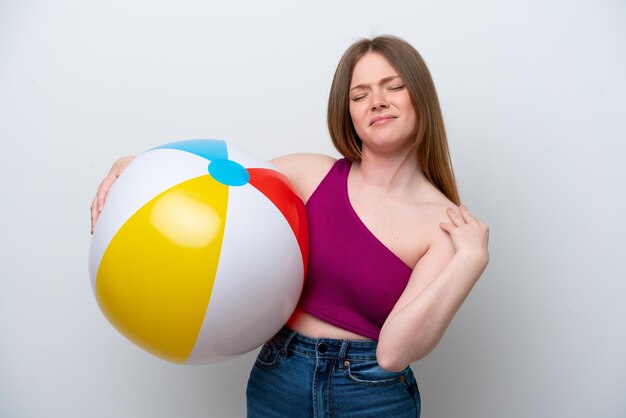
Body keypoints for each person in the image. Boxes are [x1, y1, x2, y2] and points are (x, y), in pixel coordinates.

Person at [90, 35, 489, 417]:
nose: (377, 102)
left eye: (393, 86)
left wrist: (469, 260)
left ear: (420, 95)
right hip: (279, 376)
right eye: (359, 94)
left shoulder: (448, 225)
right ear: (346, 111)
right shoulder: (308, 174)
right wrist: (132, 165)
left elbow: (393, 354)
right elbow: (215, 184)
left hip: (372, 395)